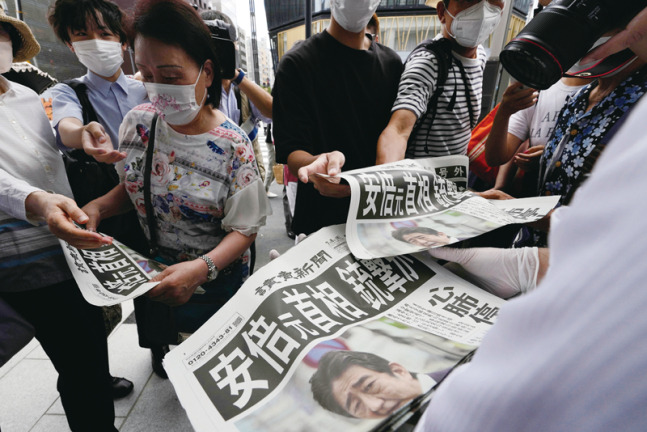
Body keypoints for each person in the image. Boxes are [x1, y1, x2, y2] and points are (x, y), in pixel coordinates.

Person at [414, 8, 647, 430]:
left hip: (573, 286)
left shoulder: (638, 110)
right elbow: (500, 154)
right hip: (536, 255)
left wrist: (543, 223)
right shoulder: (581, 97)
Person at [83, 0, 270, 315]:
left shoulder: (232, 146)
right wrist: (99, 207)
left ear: (206, 73)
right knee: (166, 346)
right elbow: (136, 186)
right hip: (154, 273)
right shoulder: (136, 124)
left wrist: (201, 268)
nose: (157, 88)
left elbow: (244, 229)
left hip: (215, 282)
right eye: (145, 73)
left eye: (170, 77)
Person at [0, 13, 118, 431]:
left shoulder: (26, 96)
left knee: (85, 361)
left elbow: (51, 145)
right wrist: (38, 201)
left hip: (68, 244)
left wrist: (82, 135)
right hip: (18, 257)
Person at [47, 0, 157, 385]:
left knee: (151, 279)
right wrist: (85, 136)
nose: (96, 43)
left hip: (147, 204)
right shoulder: (67, 92)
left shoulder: (146, 88)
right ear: (70, 45)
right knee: (97, 294)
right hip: (99, 208)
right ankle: (99, 374)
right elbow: (66, 127)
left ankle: (160, 348)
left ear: (123, 42)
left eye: (105, 34)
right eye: (82, 35)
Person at [273, 0, 403, 235]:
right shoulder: (296, 64)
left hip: (378, 217)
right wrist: (317, 163)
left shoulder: (393, 65)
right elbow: (291, 148)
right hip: (320, 221)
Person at [376, 0, 504, 163]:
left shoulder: (480, 56)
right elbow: (398, 130)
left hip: (453, 180)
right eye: (469, 1)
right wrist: (388, 180)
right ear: (442, 12)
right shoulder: (428, 64)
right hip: (422, 182)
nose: (483, 11)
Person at [200, 10, 274, 196]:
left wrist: (236, 75)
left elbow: (273, 112)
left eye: (222, 44)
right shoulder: (194, 87)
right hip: (209, 184)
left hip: (245, 183)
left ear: (234, 46)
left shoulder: (242, 87)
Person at [310, 350, 448, 419]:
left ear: (398, 371)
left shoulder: (463, 373)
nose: (375, 405)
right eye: (357, 406)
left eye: (370, 386)